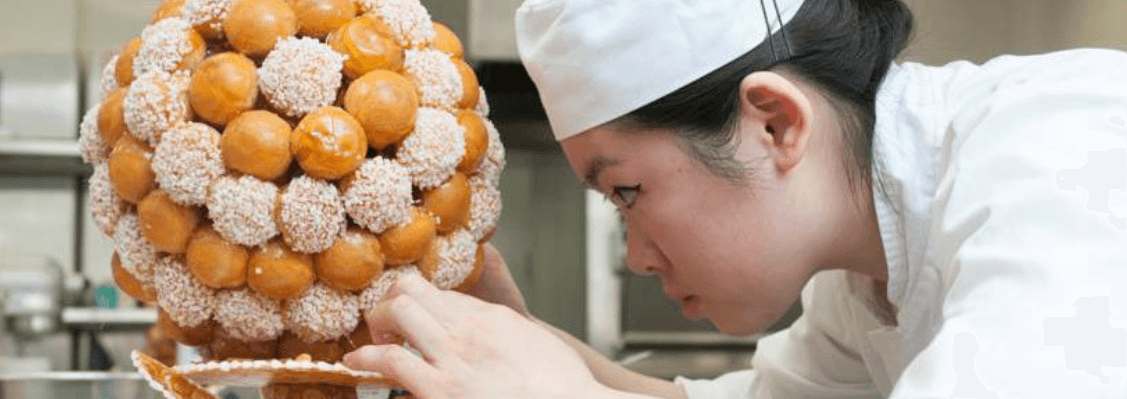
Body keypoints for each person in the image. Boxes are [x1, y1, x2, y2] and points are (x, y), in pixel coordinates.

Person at [343, 0, 1127, 397]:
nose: (637, 257)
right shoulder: (858, 282)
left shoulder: (1062, 143)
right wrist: (528, 343)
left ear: (774, 120)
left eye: (626, 191)